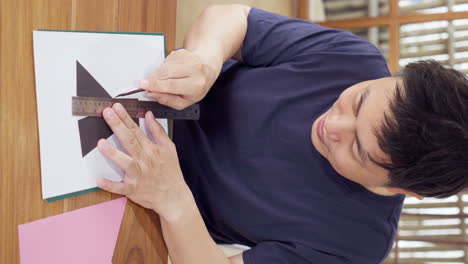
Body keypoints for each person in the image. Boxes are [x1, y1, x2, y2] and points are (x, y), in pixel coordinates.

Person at [95, 5, 468, 264]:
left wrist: (173, 199)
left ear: (399, 189)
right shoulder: (353, 58)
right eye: (358, 101)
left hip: (136, 206)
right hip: (135, 87)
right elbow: (234, 19)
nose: (331, 126)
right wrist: (205, 60)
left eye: (357, 148)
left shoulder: (356, 243)